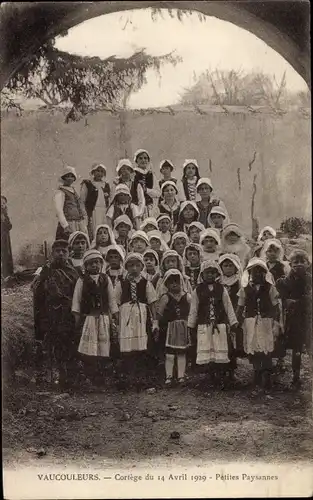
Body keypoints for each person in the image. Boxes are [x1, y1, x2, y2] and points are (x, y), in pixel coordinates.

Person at [33, 239, 80, 388]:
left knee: (69, 344)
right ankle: (54, 376)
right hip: (50, 314)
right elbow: (37, 292)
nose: (60, 254)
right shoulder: (45, 270)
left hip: (68, 313)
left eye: (64, 251)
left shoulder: (74, 272)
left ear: (69, 253)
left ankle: (70, 376)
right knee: (53, 345)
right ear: (52, 253)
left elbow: (79, 293)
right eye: (57, 251)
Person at [187, 260, 238, 389]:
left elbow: (228, 306)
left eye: (212, 273)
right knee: (208, 351)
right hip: (204, 325)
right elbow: (194, 309)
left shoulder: (222, 289)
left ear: (217, 274)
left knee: (221, 350)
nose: (210, 275)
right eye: (207, 273)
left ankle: (223, 375)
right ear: (202, 274)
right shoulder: (197, 290)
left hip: (220, 325)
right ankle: (210, 376)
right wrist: (191, 324)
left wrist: (233, 321)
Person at [72, 249, 119, 386]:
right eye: (91, 263)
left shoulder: (106, 279)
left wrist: (115, 314)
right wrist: (77, 316)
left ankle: (103, 375)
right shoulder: (82, 280)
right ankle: (91, 376)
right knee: (89, 348)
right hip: (89, 319)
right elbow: (77, 299)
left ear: (102, 264)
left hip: (104, 318)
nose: (95, 266)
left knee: (104, 346)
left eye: (97, 262)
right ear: (85, 266)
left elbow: (111, 298)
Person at [114, 252, 158, 386]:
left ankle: (143, 377)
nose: (134, 268)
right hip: (126, 316)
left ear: (141, 267)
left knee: (143, 344)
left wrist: (155, 321)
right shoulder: (121, 283)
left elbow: (152, 302)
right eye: (131, 265)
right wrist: (116, 321)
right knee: (128, 346)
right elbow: (115, 302)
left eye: (137, 265)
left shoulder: (146, 283)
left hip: (142, 316)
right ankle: (128, 377)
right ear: (126, 267)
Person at [237, 257, 280, 390]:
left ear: (265, 273)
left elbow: (276, 307)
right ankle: (257, 373)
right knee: (254, 347)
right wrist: (238, 321)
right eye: (254, 271)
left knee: (266, 347)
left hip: (266, 322)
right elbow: (240, 306)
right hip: (250, 321)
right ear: (249, 273)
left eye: (260, 271)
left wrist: (276, 322)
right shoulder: (245, 289)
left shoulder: (270, 288)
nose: (257, 274)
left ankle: (266, 375)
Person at [276, 249, 312, 387]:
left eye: (302, 262)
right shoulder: (285, 280)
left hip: (307, 319)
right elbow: (281, 294)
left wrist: (298, 302)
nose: (299, 265)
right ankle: (295, 376)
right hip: (292, 319)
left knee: (309, 346)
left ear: (308, 264)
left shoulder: (309, 279)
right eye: (295, 262)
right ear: (290, 264)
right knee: (295, 348)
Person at [260, 238, 290, 372]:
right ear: (265, 252)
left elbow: (286, 284)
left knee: (279, 327)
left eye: (275, 251)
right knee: (267, 327)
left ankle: (280, 359)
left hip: (279, 300)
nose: (272, 254)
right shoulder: (263, 266)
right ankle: (267, 357)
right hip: (266, 301)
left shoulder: (283, 267)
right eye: (269, 251)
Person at [157, 269, 191, 385]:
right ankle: (169, 376)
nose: (174, 284)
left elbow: (192, 312)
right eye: (171, 282)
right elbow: (159, 313)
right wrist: (156, 324)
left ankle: (181, 376)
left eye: (177, 281)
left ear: (182, 282)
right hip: (170, 329)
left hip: (183, 328)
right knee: (170, 354)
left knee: (182, 353)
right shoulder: (165, 297)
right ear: (166, 284)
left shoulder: (187, 297)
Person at [219, 253, 244, 381]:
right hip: (220, 315)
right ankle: (221, 370)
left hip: (234, 313)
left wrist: (236, 315)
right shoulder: (218, 281)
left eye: (231, 266)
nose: (228, 268)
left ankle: (232, 371)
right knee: (221, 342)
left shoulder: (238, 282)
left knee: (232, 344)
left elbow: (241, 299)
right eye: (225, 265)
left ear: (236, 268)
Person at [54, 166, 88, 240]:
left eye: (72, 176)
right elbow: (59, 210)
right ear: (63, 178)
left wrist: (84, 221)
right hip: (68, 223)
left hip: (77, 223)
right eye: (67, 176)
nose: (70, 178)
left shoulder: (74, 191)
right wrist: (65, 225)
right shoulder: (60, 191)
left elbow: (80, 206)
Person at [80, 163, 111, 241]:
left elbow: (109, 200)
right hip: (93, 212)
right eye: (97, 171)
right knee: (94, 232)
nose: (99, 173)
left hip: (104, 212)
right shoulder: (88, 184)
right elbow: (82, 201)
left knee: (105, 231)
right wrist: (85, 214)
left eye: (102, 171)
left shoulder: (106, 185)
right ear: (93, 172)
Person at [133, 149, 160, 218]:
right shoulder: (133, 174)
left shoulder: (151, 175)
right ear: (136, 160)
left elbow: (158, 193)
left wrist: (147, 190)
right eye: (140, 158)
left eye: (145, 158)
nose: (143, 160)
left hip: (149, 207)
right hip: (137, 206)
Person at [1, 195, 14, 278]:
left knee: (6, 255)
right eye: (0, 203)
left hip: (5, 238)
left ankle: (7, 275)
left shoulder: (5, 215)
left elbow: (9, 226)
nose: (2, 205)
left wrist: (4, 220)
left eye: (3, 203)